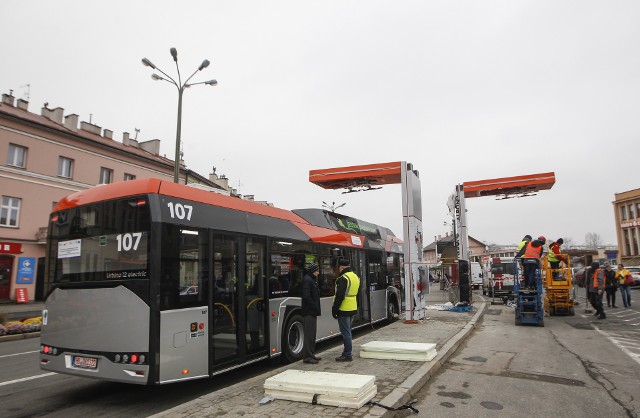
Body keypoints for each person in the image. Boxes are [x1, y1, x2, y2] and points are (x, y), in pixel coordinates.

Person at [332, 259, 361, 362]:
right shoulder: (355, 276)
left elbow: (339, 296)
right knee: (348, 331)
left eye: (339, 268)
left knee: (346, 333)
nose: (338, 270)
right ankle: (346, 352)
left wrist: (334, 310)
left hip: (343, 309)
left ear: (342, 267)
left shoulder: (343, 278)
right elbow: (358, 294)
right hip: (352, 308)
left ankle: (348, 354)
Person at [301, 263, 322, 364]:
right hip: (309, 311)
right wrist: (314, 305)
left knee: (312, 334)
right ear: (313, 271)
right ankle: (307, 357)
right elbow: (306, 296)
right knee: (309, 334)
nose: (319, 272)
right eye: (317, 270)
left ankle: (311, 354)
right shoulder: (307, 279)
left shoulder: (312, 279)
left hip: (313, 311)